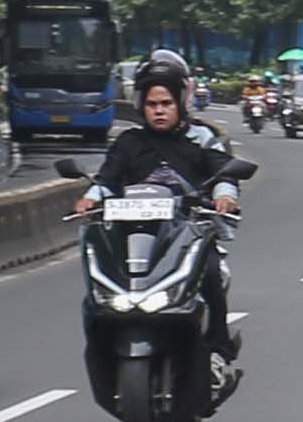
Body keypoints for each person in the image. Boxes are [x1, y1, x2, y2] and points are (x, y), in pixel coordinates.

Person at [84, 50, 246, 380]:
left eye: (166, 104)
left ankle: (216, 349)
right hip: (136, 236)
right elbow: (106, 179)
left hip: (188, 235)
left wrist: (224, 197)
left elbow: (223, 173)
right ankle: (104, 351)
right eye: (152, 104)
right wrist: (88, 199)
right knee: (99, 288)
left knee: (212, 274)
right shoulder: (128, 142)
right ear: (142, 106)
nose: (159, 111)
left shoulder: (202, 138)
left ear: (179, 103)